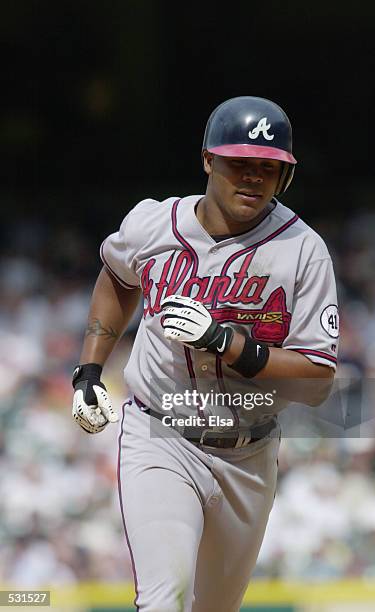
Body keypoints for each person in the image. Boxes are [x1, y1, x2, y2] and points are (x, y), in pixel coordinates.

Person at [72, 96, 339, 611]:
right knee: (164, 597)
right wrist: (89, 368)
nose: (253, 178)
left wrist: (228, 343)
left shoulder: (303, 249)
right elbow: (117, 275)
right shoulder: (153, 224)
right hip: (161, 435)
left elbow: (317, 379)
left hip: (249, 452)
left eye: (269, 168)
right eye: (240, 163)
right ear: (208, 161)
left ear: (285, 177)